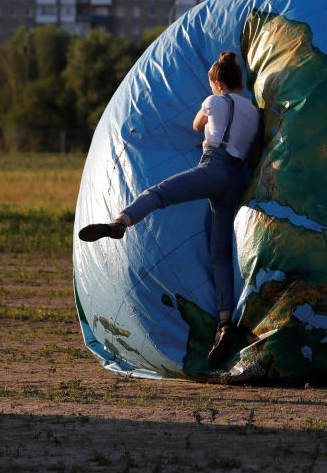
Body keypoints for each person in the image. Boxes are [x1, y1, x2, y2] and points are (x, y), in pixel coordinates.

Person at [78, 51, 261, 366]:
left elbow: (196, 125)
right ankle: (225, 322)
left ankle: (121, 221)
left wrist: (212, 111)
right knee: (220, 252)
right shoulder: (255, 112)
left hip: (212, 167)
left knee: (160, 193)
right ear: (240, 82)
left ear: (217, 82)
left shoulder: (213, 101)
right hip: (236, 179)